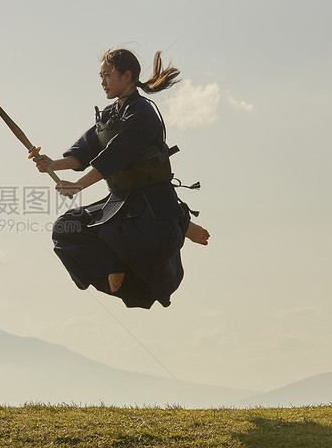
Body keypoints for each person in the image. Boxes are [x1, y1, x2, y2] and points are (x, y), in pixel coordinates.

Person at [32, 48, 208, 309]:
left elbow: (115, 156)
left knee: (120, 237)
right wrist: (53, 163)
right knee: (65, 229)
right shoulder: (108, 115)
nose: (102, 81)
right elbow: (84, 151)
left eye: (107, 75)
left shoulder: (143, 113)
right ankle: (114, 265)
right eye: (100, 76)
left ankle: (178, 223)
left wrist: (79, 185)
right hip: (120, 202)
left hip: (152, 205)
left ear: (127, 76)